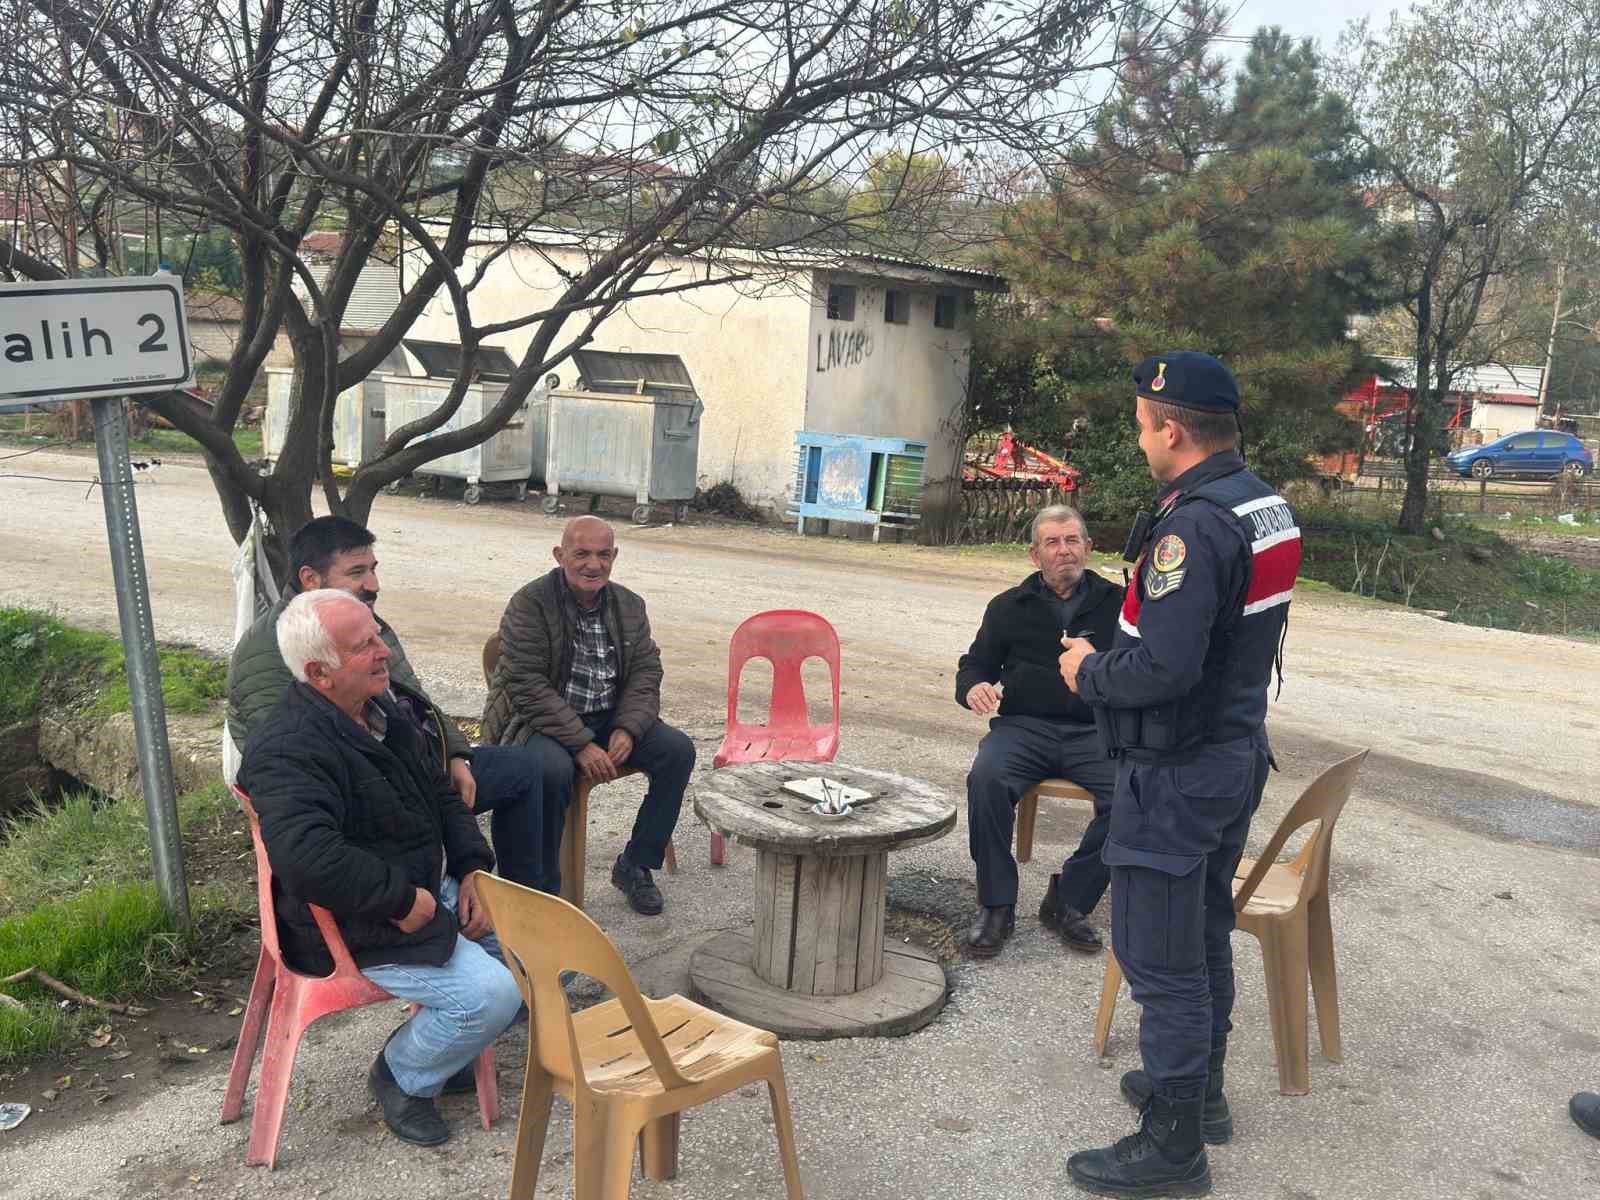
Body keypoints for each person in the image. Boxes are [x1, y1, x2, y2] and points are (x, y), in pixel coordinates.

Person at [1056, 352, 1302, 1198]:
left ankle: (1172, 1147)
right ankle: (1203, 1098)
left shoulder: (1194, 526)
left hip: (1178, 769)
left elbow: (1162, 667)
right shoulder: (1264, 503)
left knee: (1160, 959)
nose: (1139, 437)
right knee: (1200, 930)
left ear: (1171, 427)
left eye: (1140, 422)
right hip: (1231, 754)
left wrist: (1086, 670)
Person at [238, 589, 524, 1147]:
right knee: (493, 994)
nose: (383, 651)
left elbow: (442, 796)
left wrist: (472, 870)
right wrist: (402, 901)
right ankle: (403, 1074)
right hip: (355, 923)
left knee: (540, 965)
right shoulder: (287, 749)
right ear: (320, 672)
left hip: (423, 888)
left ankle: (451, 1047)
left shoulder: (380, 711)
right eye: (364, 645)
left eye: (377, 635)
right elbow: (308, 859)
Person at [228, 517, 563, 893]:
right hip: (369, 798)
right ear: (310, 579)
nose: (373, 585)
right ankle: (490, 907)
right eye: (357, 572)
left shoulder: (365, 623)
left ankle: (530, 902)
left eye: (373, 569)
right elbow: (287, 760)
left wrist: (455, 754)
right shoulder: (269, 651)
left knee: (529, 768)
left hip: (417, 769)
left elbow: (418, 701)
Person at [481, 515, 694, 915]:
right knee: (548, 770)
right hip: (544, 723)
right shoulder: (529, 603)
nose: (592, 565)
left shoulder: (630, 605)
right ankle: (542, 891)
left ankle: (636, 864)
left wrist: (629, 728)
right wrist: (579, 743)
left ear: (614, 557)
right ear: (560, 555)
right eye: (581, 554)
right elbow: (525, 684)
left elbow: (647, 673)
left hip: (610, 718)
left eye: (602, 555)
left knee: (676, 750)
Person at [956, 504, 1123, 957]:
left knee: (1134, 794)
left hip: (1094, 731)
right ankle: (996, 903)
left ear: (1088, 548)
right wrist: (973, 688)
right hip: (1024, 728)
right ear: (1035, 555)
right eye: (1052, 542)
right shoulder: (1009, 607)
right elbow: (976, 664)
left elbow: (1137, 668)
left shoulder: (1118, 605)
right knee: (986, 779)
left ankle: (1069, 898)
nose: (1064, 550)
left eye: (1072, 540)